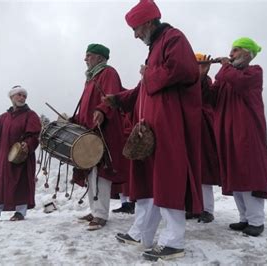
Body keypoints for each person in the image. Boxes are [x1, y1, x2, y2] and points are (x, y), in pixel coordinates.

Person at [98, 0, 203, 261]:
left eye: (135, 28)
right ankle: (142, 232)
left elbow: (183, 71)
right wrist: (120, 99)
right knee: (148, 182)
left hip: (168, 126)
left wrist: (149, 72)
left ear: (148, 22)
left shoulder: (173, 38)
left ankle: (173, 241)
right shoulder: (156, 46)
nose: (134, 35)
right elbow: (143, 88)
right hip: (149, 127)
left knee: (167, 180)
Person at [211, 37, 267, 237]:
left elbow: (240, 82)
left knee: (248, 174)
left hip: (247, 132)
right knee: (235, 174)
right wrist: (201, 76)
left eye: (235, 50)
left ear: (247, 53)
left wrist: (225, 67)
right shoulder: (227, 77)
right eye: (231, 50)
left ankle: (256, 221)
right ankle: (244, 218)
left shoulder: (254, 72)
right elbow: (210, 96)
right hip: (228, 133)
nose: (231, 54)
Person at [74, 43, 129, 231]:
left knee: (101, 173)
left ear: (99, 57)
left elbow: (110, 97)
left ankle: (101, 214)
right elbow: (86, 108)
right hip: (90, 131)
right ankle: (94, 210)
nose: (85, 59)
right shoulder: (91, 78)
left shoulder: (108, 73)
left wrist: (102, 111)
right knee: (91, 172)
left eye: (89, 55)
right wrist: (74, 119)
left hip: (103, 130)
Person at [0, 85, 41, 222]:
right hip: (4, 157)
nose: (22, 98)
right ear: (11, 97)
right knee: (0, 183)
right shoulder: (3, 118)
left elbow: (34, 135)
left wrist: (27, 145)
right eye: (19, 95)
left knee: (21, 182)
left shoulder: (31, 115)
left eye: (24, 96)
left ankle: (20, 213)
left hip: (21, 157)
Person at [187, 53, 221, 223]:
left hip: (202, 131)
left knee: (203, 171)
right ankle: (194, 207)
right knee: (191, 172)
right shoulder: (186, 81)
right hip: (188, 131)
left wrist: (202, 74)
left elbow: (206, 99)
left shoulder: (205, 81)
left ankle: (207, 209)